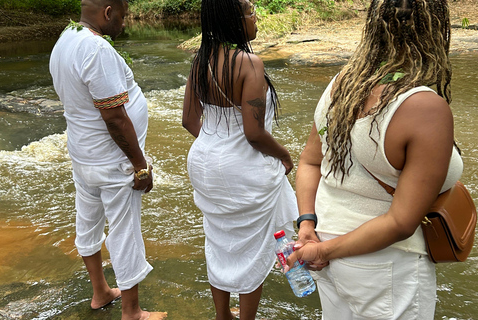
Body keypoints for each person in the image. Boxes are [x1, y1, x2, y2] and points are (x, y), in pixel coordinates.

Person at [287, 0, 463, 319]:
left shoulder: (344, 82)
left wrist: (307, 226)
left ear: (374, 27)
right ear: (437, 30)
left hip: (326, 248)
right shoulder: (425, 108)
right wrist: (321, 249)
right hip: (384, 267)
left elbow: (310, 162)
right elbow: (400, 222)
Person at [49, 0, 167, 319]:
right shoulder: (96, 49)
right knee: (124, 231)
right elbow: (114, 118)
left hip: (84, 155)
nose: (125, 23)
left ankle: (101, 292)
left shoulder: (65, 39)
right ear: (107, 12)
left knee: (87, 222)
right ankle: (133, 312)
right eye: (124, 16)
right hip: (112, 162)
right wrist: (140, 165)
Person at [182, 0, 298, 319]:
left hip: (204, 164)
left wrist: (215, 148)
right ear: (233, 19)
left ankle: (223, 315)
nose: (255, 16)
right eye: (250, 10)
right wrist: (286, 157)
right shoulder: (249, 63)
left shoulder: (199, 60)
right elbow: (254, 133)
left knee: (218, 240)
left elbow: (190, 121)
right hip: (241, 168)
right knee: (253, 246)